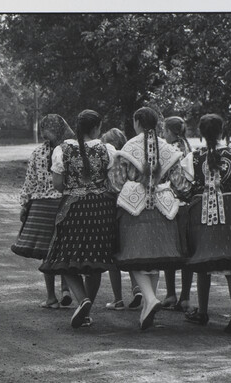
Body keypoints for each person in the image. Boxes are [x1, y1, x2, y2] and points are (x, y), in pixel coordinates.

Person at [109, 106, 190, 330]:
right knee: (154, 260)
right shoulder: (168, 148)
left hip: (134, 209)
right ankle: (148, 305)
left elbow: (115, 183)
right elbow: (181, 185)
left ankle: (150, 300)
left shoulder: (129, 147)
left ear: (137, 122)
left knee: (132, 256)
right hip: (163, 209)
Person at [181, 114, 231, 334]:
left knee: (203, 262)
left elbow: (183, 189)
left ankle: (203, 312)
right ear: (222, 130)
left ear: (201, 133)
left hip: (202, 214)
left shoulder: (192, 158)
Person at [39, 110, 118, 328]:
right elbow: (113, 180)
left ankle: (82, 299)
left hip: (73, 207)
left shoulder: (61, 150)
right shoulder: (107, 150)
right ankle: (86, 308)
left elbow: (57, 184)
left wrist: (76, 189)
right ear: (97, 127)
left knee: (64, 257)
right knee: (95, 260)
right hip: (101, 209)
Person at [11, 114, 75, 309]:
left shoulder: (38, 152)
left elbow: (30, 181)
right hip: (65, 203)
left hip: (41, 207)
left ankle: (51, 298)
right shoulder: (71, 150)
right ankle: (66, 289)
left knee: (47, 252)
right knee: (65, 248)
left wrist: (24, 205)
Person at [100, 128, 142, 311]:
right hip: (131, 209)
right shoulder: (130, 158)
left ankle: (117, 299)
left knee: (113, 255)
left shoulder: (111, 161)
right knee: (129, 251)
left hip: (113, 209)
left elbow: (111, 187)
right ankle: (137, 288)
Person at [161, 116, 194, 312]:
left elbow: (171, 177)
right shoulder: (189, 149)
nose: (162, 135)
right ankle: (186, 297)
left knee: (171, 248)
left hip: (172, 202)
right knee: (187, 249)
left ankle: (170, 294)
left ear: (171, 133)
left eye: (164, 131)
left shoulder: (169, 150)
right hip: (188, 205)